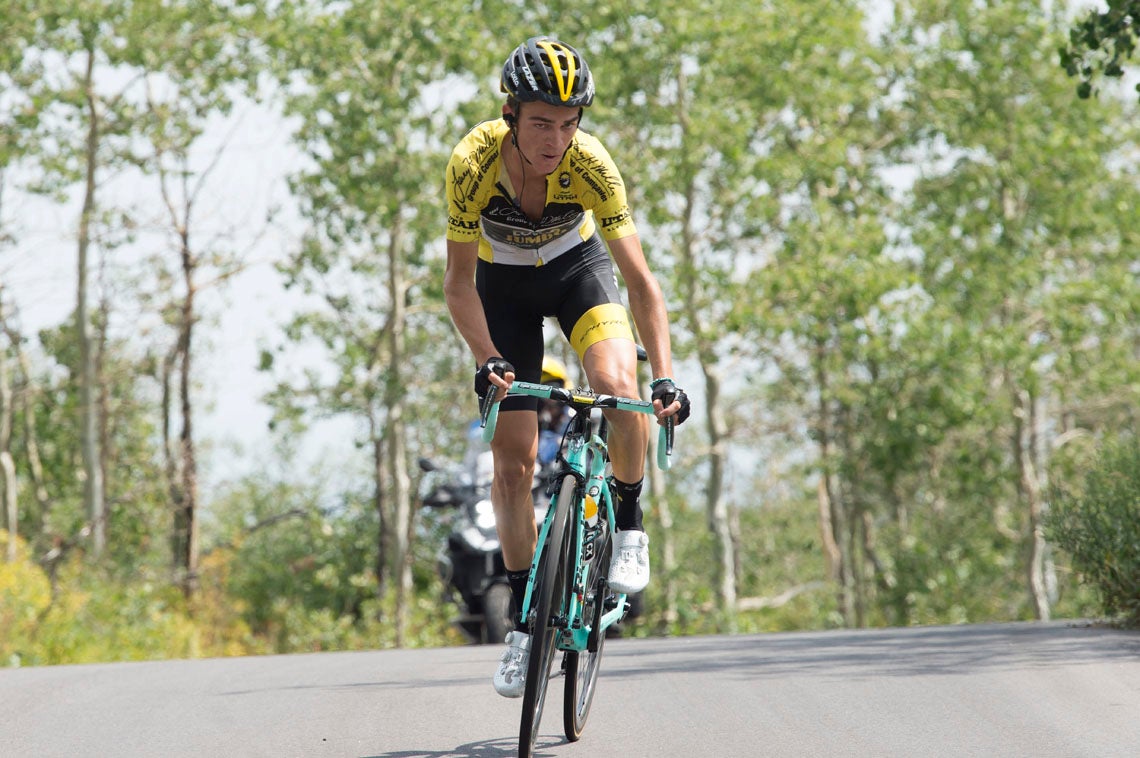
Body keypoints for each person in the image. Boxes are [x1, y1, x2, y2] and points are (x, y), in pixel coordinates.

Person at [443, 35, 690, 698]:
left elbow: (640, 281)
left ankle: (629, 522)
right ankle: (525, 627)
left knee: (618, 385)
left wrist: (663, 374)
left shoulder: (592, 165)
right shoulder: (471, 162)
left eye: (569, 124)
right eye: (541, 124)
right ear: (511, 115)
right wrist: (487, 357)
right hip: (503, 291)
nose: (556, 140)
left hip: (578, 274)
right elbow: (458, 283)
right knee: (513, 463)